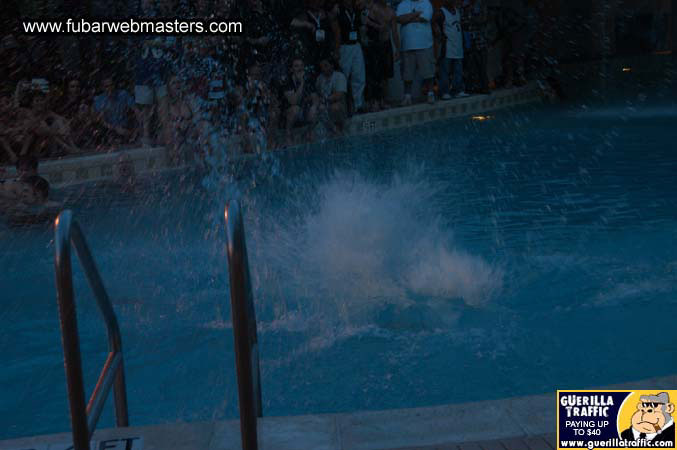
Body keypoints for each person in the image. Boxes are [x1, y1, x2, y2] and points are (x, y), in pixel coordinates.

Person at [396, 0, 436, 105]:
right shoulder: (402, 4)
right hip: (407, 45)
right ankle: (407, 96)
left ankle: (430, 94)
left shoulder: (426, 3)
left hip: (424, 44)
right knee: (407, 74)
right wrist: (416, 13)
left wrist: (408, 18)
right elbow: (399, 19)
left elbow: (425, 18)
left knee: (428, 72)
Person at [362, 0, 400, 111]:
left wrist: (397, 49)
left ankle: (383, 100)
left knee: (385, 75)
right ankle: (374, 101)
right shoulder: (371, 7)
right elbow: (363, 21)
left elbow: (394, 32)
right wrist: (377, 26)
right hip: (373, 45)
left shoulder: (391, 12)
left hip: (386, 45)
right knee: (374, 74)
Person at [335, 0, 366, 113]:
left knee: (359, 75)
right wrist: (337, 49)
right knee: (344, 76)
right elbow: (336, 30)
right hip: (344, 46)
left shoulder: (357, 10)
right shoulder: (338, 10)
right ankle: (344, 106)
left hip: (356, 45)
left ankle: (358, 105)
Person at [434, 0, 468, 99]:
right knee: (445, 70)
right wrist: (439, 34)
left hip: (458, 45)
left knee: (458, 70)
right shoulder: (441, 12)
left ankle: (458, 90)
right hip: (447, 46)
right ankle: (444, 92)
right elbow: (433, 22)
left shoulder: (457, 11)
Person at [283, 57, 319, 146]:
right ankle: (288, 135)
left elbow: (315, 97)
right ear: (291, 69)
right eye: (296, 66)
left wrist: (314, 107)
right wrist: (302, 83)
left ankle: (309, 133)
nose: (300, 68)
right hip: (288, 113)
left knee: (319, 108)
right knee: (295, 109)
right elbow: (293, 101)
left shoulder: (309, 78)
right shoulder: (287, 81)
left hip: (303, 110)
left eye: (302, 66)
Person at [93, 76, 137, 147]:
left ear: (114, 85)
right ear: (102, 88)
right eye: (107, 86)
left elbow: (135, 110)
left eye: (111, 85)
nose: (110, 88)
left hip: (125, 126)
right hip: (109, 128)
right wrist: (115, 128)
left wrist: (135, 129)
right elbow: (101, 120)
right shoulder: (99, 100)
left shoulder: (123, 94)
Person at [463, 0, 490, 94]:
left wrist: (472, 19)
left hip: (480, 41)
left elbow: (483, 19)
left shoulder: (481, 4)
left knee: (482, 65)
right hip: (468, 41)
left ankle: (484, 87)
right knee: (470, 66)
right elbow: (463, 21)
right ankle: (471, 88)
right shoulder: (465, 4)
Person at [316, 57, 348, 135]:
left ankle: (340, 128)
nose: (323, 69)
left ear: (332, 66)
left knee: (334, 107)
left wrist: (325, 99)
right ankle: (334, 131)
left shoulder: (339, 76)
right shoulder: (320, 79)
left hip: (341, 106)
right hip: (326, 105)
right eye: (322, 67)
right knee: (319, 108)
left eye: (326, 66)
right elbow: (317, 93)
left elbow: (339, 95)